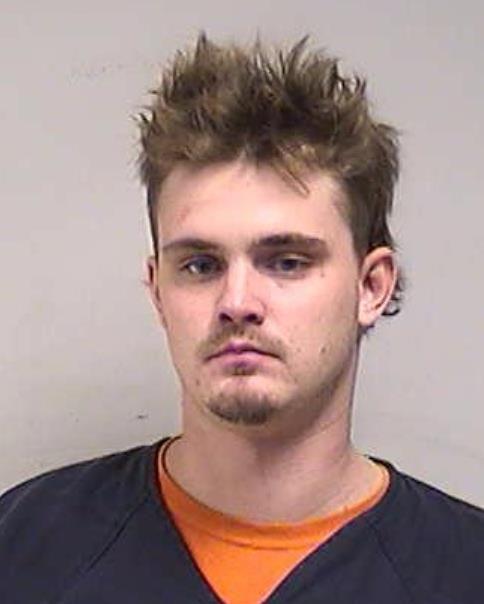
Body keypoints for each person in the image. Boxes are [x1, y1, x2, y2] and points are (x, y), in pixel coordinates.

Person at [0, 33, 483, 604]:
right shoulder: (24, 547)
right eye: (200, 265)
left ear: (371, 286)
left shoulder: (465, 570)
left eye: (287, 262)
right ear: (158, 291)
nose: (237, 300)